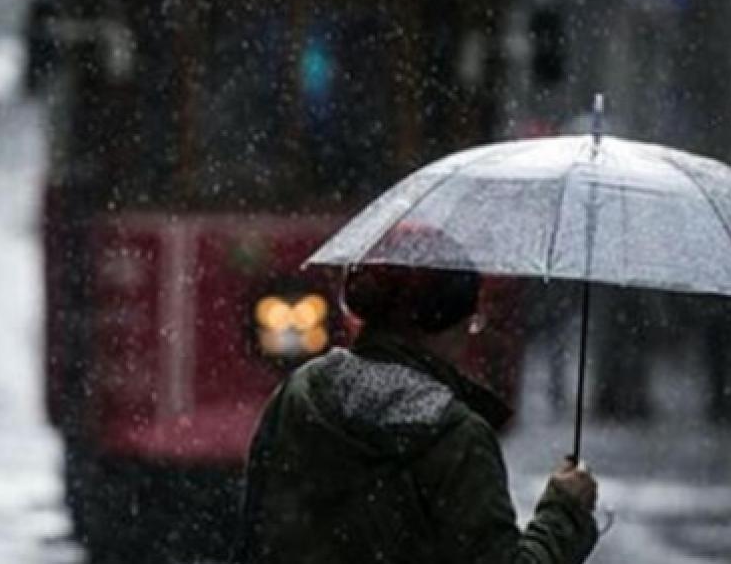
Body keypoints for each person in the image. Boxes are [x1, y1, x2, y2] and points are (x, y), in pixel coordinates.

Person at [236, 229, 600, 564]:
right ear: (448, 321)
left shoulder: (301, 393)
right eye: (472, 319)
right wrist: (565, 511)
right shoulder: (456, 436)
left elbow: (255, 540)